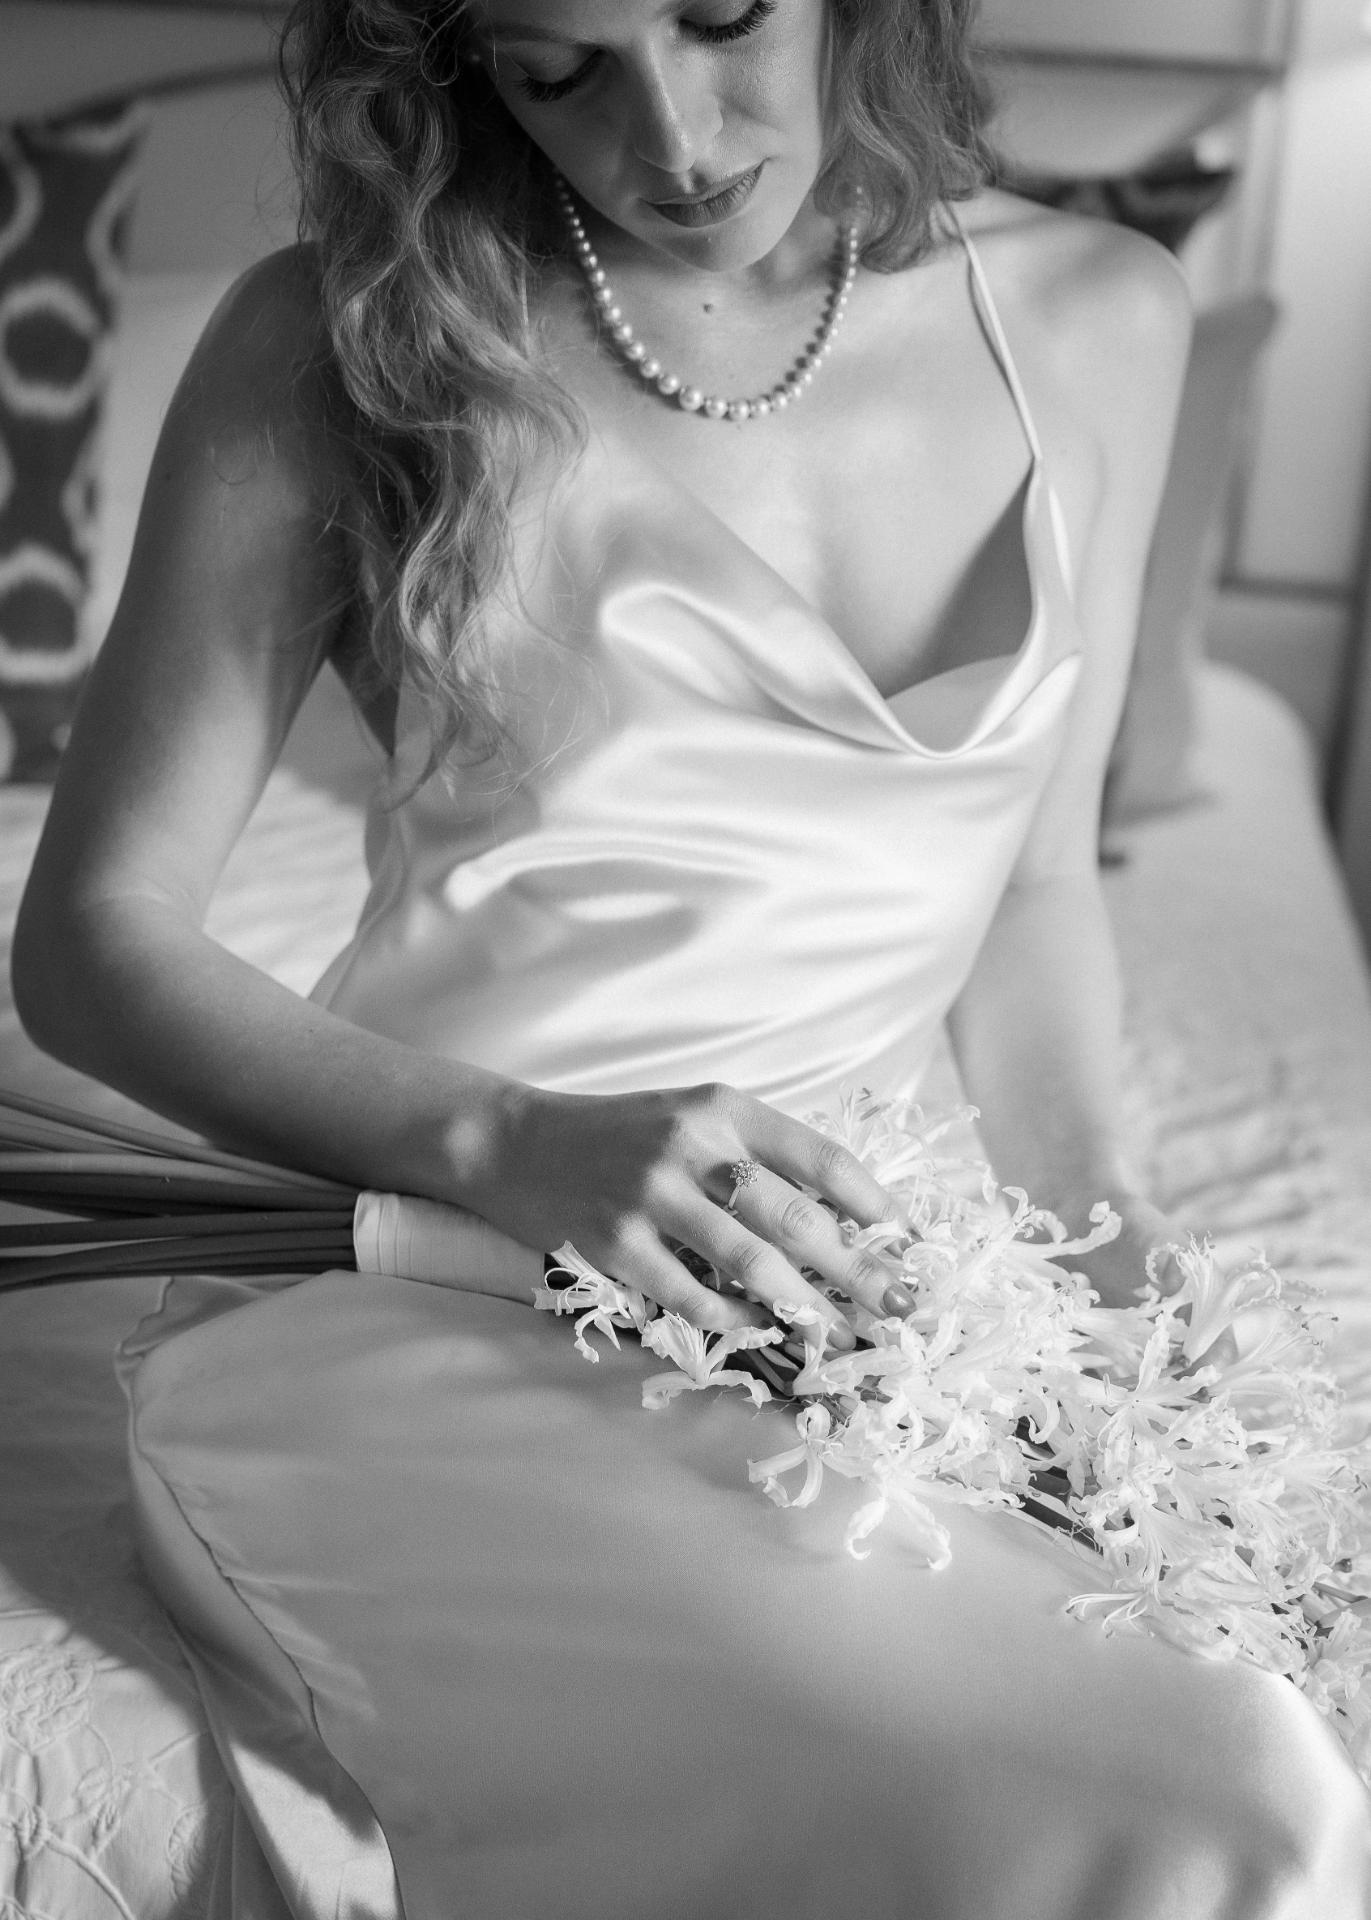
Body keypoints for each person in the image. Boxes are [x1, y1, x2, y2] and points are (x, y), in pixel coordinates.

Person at [12, 0, 1371, 1913]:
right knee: (1230, 1799)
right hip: (444, 1258)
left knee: (1294, 1691)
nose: (671, 131)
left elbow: (1039, 884)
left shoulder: (1105, 320)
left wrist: (1108, 1229)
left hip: (882, 1283)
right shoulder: (346, 340)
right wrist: (513, 1146)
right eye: (557, 68)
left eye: (724, 14)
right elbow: (92, 942)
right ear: (456, 63)